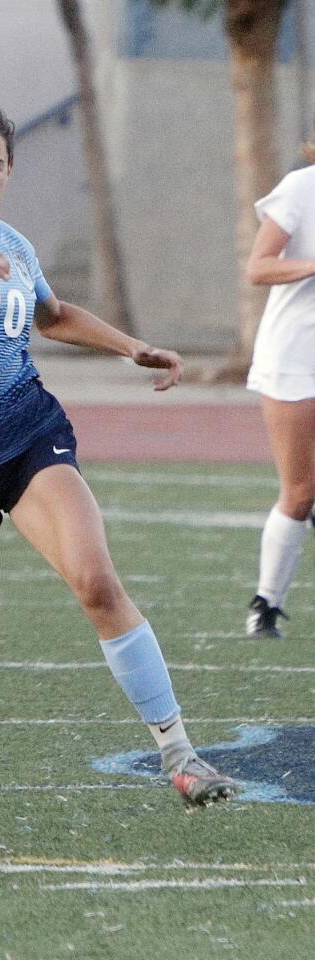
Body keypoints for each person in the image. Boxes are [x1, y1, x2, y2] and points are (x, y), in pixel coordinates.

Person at [0, 102, 237, 809]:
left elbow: (53, 315)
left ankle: (180, 753)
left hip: (24, 433)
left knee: (97, 581)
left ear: (9, 172)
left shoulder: (16, 243)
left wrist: (132, 347)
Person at [244, 143, 315, 638]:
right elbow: (259, 267)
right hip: (295, 358)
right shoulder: (301, 188)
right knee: (301, 491)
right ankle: (264, 604)